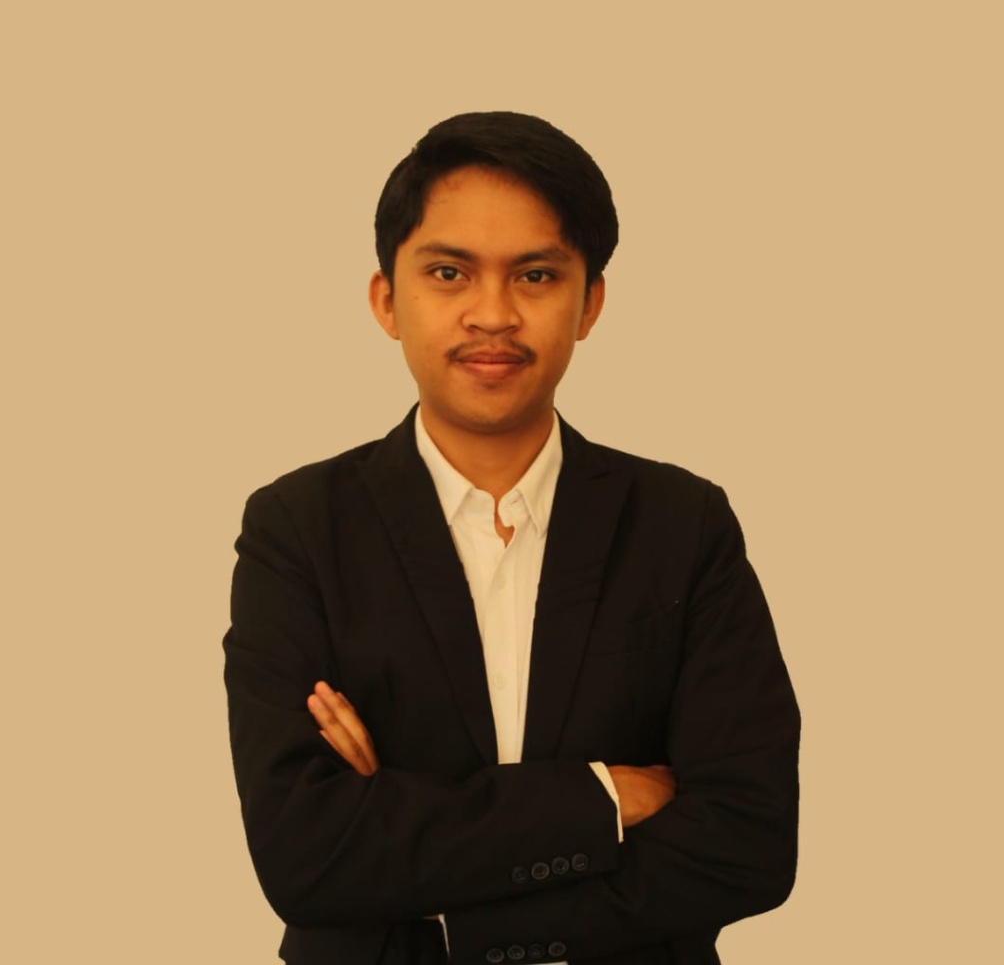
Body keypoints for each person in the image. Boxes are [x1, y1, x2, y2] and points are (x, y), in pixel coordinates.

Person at [224, 111, 800, 965]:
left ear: (589, 302)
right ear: (386, 299)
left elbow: (749, 843)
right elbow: (307, 856)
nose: (492, 314)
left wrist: (441, 908)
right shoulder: (299, 528)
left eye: (535, 275)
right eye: (448, 273)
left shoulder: (683, 525)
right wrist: (601, 798)